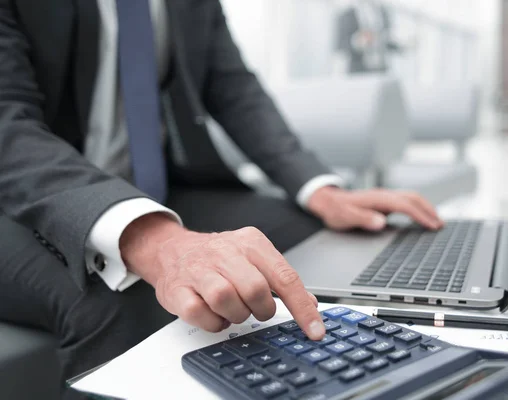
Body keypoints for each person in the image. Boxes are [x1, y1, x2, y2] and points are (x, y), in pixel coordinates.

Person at [0, 1, 442, 398]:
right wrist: (150, 239)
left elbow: (234, 89)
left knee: (305, 232)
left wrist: (320, 189)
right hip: (21, 196)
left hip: (152, 186)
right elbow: (8, 126)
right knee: (115, 290)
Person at [334, 0, 404, 74]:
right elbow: (340, 45)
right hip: (359, 72)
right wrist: (357, 41)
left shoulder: (383, 12)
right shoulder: (347, 14)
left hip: (382, 69)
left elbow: (387, 40)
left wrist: (402, 46)